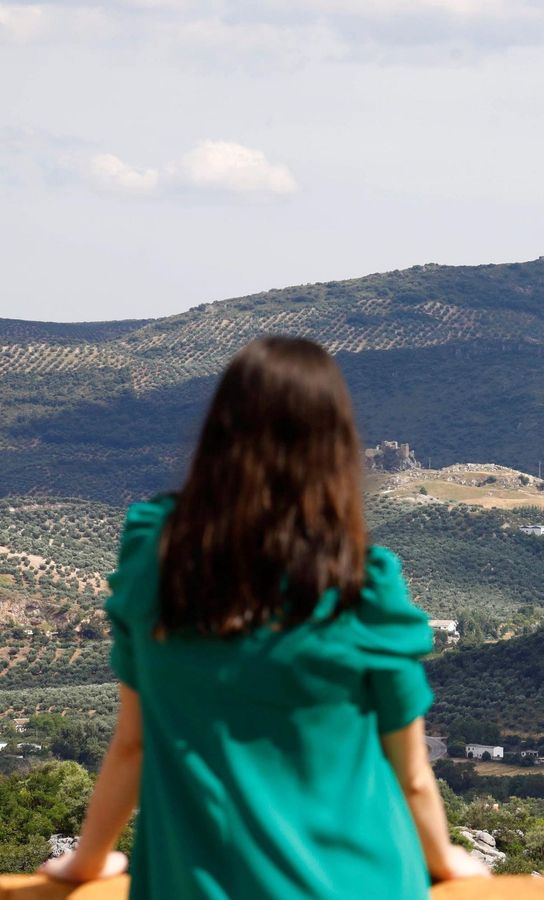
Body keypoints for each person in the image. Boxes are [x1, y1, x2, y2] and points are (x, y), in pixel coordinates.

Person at [40, 336, 490, 897]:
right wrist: (444, 858)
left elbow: (133, 743)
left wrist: (85, 862)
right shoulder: (362, 586)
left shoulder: (156, 555)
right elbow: (413, 776)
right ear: (337, 449)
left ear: (220, 433)